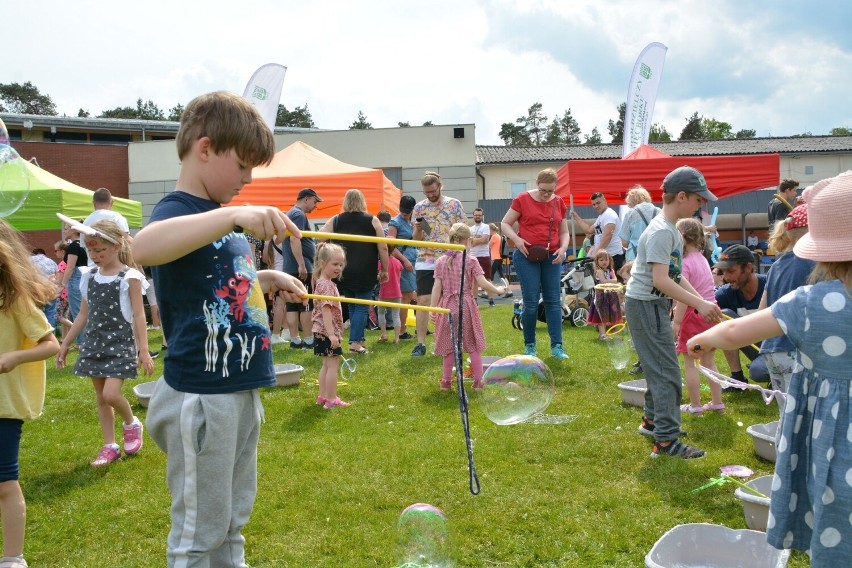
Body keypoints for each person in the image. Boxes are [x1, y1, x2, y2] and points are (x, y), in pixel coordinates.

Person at [131, 91, 306, 567]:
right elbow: (142, 249)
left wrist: (264, 278)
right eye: (243, 166)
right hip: (201, 396)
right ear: (204, 149)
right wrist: (231, 216)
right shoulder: (181, 210)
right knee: (199, 533)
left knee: (230, 523)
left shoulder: (219, 223)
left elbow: (221, 285)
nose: (248, 180)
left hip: (239, 391)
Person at [687, 170, 852, 565]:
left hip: (835, 434)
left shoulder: (811, 300)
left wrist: (704, 340)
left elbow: (736, 333)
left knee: (835, 507)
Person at [625, 165, 722, 459]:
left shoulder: (670, 230)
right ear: (681, 196)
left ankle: (653, 422)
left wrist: (701, 300)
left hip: (651, 305)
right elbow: (660, 280)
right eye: (698, 199)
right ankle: (666, 442)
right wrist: (698, 304)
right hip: (645, 306)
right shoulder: (662, 232)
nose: (700, 205)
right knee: (667, 373)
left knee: (661, 366)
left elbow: (675, 274)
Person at [55, 219, 155, 467]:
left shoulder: (129, 276)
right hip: (94, 344)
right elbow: (82, 315)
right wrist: (66, 343)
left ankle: (131, 423)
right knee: (101, 399)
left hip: (121, 344)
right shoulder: (89, 276)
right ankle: (110, 445)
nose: (96, 255)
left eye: (100, 250)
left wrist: (143, 350)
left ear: (116, 246)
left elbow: (139, 314)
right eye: (92, 251)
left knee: (111, 394)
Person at [0, 219, 61, 568]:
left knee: (5, 483)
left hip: (3, 407)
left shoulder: (15, 301)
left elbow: (49, 344)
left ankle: (12, 558)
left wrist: (14, 357)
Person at [500, 168, 571, 359]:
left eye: (551, 190)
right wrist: (517, 239)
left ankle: (557, 346)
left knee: (553, 302)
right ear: (537, 184)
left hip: (552, 256)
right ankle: (530, 345)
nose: (547, 194)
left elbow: (564, 232)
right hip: (526, 255)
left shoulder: (559, 202)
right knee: (531, 303)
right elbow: (504, 223)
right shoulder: (522, 199)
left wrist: (563, 248)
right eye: (543, 190)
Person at [431, 223, 505, 391]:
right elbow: (484, 284)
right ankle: (478, 382)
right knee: (473, 346)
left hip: (447, 306)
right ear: (467, 241)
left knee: (449, 347)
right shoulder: (471, 260)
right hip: (465, 305)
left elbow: (436, 288)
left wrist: (433, 308)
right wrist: (499, 290)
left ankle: (446, 382)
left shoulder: (441, 261)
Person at [318, 189, 389, 355]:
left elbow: (320, 236)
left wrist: (329, 246)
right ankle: (355, 344)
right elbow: (383, 246)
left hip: (343, 270)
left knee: (352, 305)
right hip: (365, 270)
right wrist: (385, 269)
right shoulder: (372, 220)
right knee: (362, 308)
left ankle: (360, 340)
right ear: (362, 202)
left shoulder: (336, 219)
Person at [757, 204, 814, 403]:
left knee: (786, 413)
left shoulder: (776, 266)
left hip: (771, 349)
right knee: (801, 411)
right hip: (795, 349)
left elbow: (762, 310)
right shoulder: (813, 263)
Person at [410, 172, 466, 357]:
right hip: (426, 258)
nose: (430, 195)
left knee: (451, 300)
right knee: (424, 300)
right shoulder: (419, 208)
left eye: (432, 191)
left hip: (450, 259)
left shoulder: (454, 204)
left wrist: (460, 253)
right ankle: (420, 343)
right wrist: (418, 230)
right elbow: (417, 239)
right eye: (426, 192)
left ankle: (452, 341)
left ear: (440, 185)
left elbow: (463, 233)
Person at [672, 218, 724, 415]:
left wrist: (676, 322)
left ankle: (695, 406)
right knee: (709, 361)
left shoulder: (684, 264)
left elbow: (684, 299)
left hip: (692, 316)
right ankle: (717, 403)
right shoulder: (703, 259)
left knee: (690, 362)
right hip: (711, 314)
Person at [713, 244, 770, 384]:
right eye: (723, 272)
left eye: (731, 271)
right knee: (723, 315)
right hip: (755, 345)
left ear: (749, 268)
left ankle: (776, 374)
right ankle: (737, 378)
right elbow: (707, 307)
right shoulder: (725, 294)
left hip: (777, 347)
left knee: (758, 371)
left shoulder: (770, 285)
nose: (725, 277)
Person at [282, 188, 323, 350]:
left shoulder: (290, 213)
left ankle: (295, 340)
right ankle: (308, 340)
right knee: (306, 304)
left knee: (292, 304)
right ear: (306, 199)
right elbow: (294, 239)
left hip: (289, 268)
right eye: (315, 202)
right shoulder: (298, 214)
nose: (315, 206)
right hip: (300, 268)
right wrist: (302, 264)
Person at [311, 242, 350, 409]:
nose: (339, 268)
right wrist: (332, 334)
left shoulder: (321, 282)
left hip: (319, 330)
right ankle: (332, 399)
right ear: (322, 264)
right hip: (326, 331)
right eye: (335, 264)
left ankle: (323, 396)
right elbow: (326, 311)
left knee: (326, 364)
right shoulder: (326, 285)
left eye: (341, 264)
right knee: (332, 365)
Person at [387, 195, 418, 340]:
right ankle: (402, 330)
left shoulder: (416, 220)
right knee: (406, 296)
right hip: (404, 262)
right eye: (402, 209)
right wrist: (405, 260)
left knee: (416, 295)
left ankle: (419, 327)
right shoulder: (395, 222)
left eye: (407, 210)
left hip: (416, 261)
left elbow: (427, 235)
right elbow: (391, 246)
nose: (404, 213)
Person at [572, 192, 624, 273]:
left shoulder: (609, 215)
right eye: (593, 204)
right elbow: (589, 230)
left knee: (611, 283)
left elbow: (607, 236)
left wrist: (596, 253)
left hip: (612, 257)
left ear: (605, 200)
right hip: (605, 258)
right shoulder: (602, 216)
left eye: (598, 203)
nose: (596, 206)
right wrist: (576, 216)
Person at [82, 187, 130, 267]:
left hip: (93, 268)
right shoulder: (116, 217)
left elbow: (84, 247)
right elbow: (127, 242)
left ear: (93, 203)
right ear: (112, 202)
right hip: (116, 268)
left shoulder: (86, 222)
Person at [58, 223, 88, 342]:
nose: (64, 231)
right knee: (84, 311)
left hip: (76, 278)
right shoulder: (83, 245)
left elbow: (70, 267)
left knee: (78, 313)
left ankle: (82, 342)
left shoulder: (73, 247)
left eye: (66, 229)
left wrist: (62, 284)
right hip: (84, 277)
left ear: (73, 230)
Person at [587, 249, 622, 341]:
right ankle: (602, 334)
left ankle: (608, 332)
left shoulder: (611, 270)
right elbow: (603, 281)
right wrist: (611, 282)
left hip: (611, 295)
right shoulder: (599, 271)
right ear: (597, 261)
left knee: (611, 313)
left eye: (606, 259)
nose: (604, 262)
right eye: (601, 260)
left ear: (609, 260)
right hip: (601, 296)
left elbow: (615, 280)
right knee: (600, 315)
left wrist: (610, 282)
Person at [618, 185, 660, 262]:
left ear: (632, 201)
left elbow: (624, 242)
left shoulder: (630, 213)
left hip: (635, 256)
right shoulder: (659, 212)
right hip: (656, 256)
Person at [377, 244, 403, 343]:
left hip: (384, 293)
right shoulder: (398, 262)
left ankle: (384, 334)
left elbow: (380, 276)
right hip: (397, 292)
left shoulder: (381, 263)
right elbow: (399, 278)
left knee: (381, 313)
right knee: (396, 315)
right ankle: (397, 338)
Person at [29, 248, 58, 329]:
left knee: (36, 312)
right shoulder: (52, 262)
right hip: (51, 289)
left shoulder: (29, 260)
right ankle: (51, 335)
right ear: (44, 254)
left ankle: (39, 334)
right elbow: (57, 278)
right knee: (50, 313)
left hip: (36, 290)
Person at [469, 208, 492, 299]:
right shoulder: (470, 229)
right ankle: (474, 300)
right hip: (473, 256)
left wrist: (474, 241)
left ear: (482, 216)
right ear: (473, 216)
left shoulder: (485, 226)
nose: (477, 216)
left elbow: (485, 240)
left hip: (484, 256)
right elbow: (469, 242)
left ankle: (491, 299)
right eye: (476, 215)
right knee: (474, 280)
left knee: (487, 279)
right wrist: (478, 239)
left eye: (479, 215)